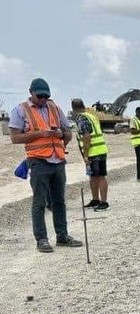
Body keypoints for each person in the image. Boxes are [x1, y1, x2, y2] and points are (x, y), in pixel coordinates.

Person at [8, 78, 82, 252]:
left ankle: (62, 236)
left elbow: (68, 131)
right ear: (31, 92)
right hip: (38, 161)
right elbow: (15, 138)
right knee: (39, 202)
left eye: (46, 96)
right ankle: (41, 239)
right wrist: (40, 133)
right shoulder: (21, 110)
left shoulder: (55, 108)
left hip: (58, 160)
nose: (43, 99)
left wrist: (62, 134)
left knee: (59, 201)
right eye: (40, 96)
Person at [72, 98, 109, 210]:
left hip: (95, 151)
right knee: (93, 176)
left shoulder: (81, 118)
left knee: (100, 176)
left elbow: (87, 136)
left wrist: (86, 155)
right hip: (99, 150)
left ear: (73, 109)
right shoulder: (91, 115)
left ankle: (103, 202)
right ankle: (95, 199)